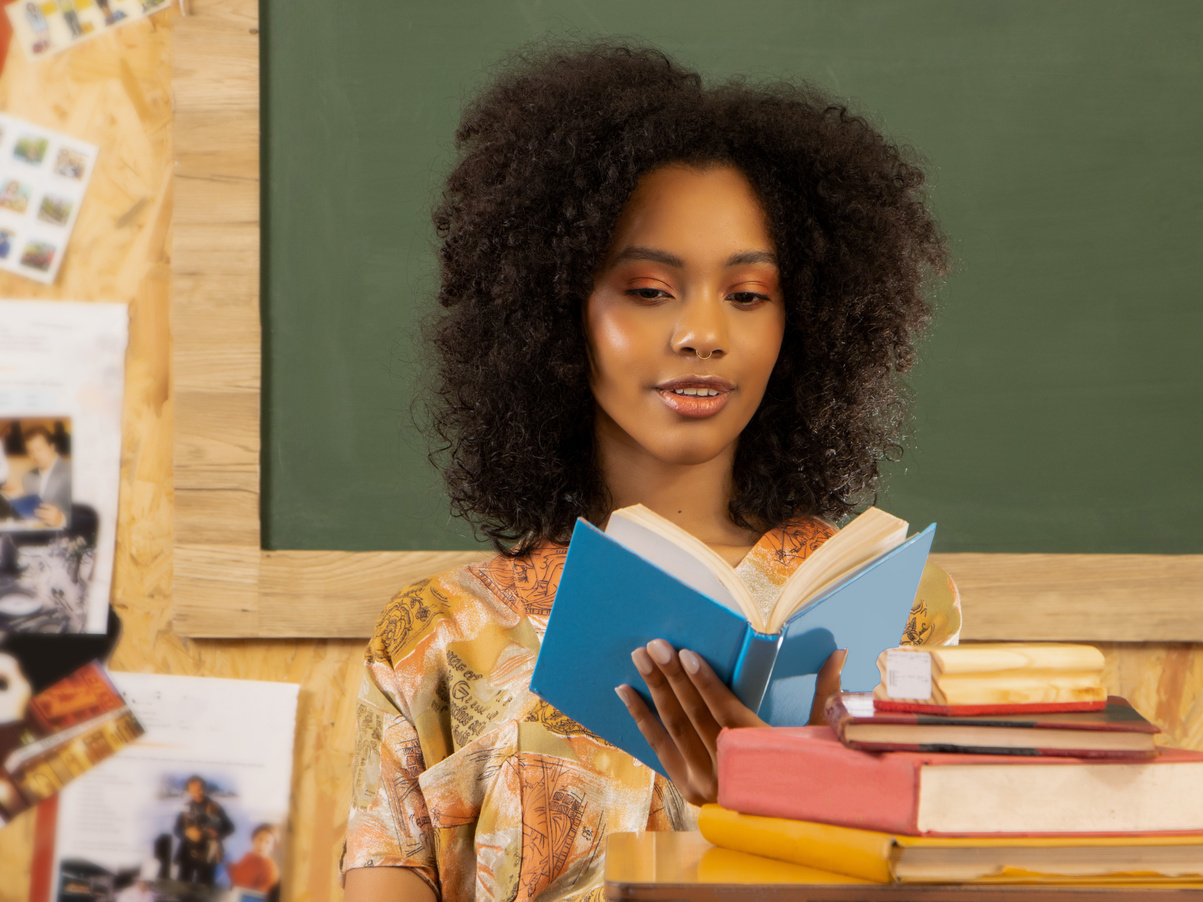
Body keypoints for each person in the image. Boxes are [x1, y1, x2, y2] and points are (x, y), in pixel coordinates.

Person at [342, 43, 956, 902]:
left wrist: (773, 808)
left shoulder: (902, 623)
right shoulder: (435, 638)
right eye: (647, 289)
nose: (702, 332)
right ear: (557, 311)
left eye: (746, 295)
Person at [173, 776, 234, 886]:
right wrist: (187, 833)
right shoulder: (185, 808)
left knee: (204, 888)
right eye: (193, 790)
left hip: (208, 855)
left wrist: (218, 833)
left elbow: (230, 827)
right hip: (187, 854)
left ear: (205, 789)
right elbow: (176, 829)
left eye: (200, 789)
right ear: (189, 791)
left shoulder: (216, 807)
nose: (197, 793)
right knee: (182, 887)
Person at [21, 425, 72, 527]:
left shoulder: (72, 472)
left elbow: (86, 516)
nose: (35, 455)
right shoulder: (28, 477)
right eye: (30, 451)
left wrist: (62, 519)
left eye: (39, 449)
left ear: (52, 447)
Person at [229, 824, 281, 895]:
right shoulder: (248, 855)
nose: (262, 844)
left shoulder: (271, 871)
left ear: (273, 846)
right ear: (253, 839)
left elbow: (260, 897)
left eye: (267, 842)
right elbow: (237, 874)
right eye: (260, 839)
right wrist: (226, 863)